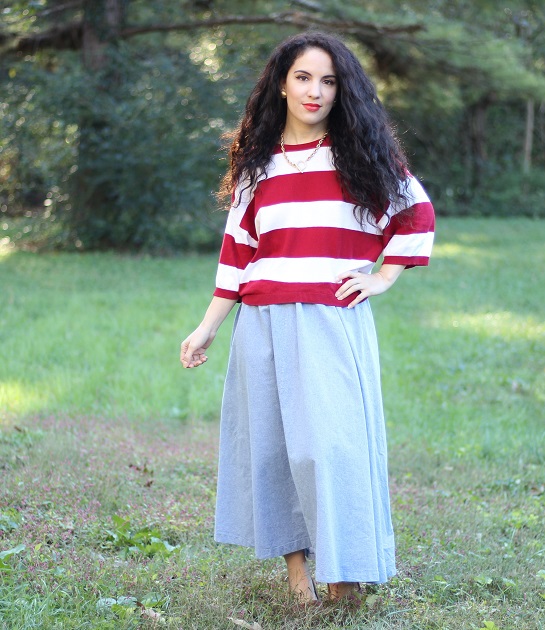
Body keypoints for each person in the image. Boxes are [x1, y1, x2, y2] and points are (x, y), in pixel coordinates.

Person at [180, 31, 435, 604]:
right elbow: (238, 254)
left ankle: (344, 571)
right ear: (281, 84)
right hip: (262, 324)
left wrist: (383, 276)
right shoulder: (257, 167)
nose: (315, 91)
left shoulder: (362, 158)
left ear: (342, 91)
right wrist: (208, 327)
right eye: (303, 78)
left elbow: (416, 213)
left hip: (330, 320)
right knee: (273, 448)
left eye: (328, 81)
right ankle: (299, 574)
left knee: (331, 448)